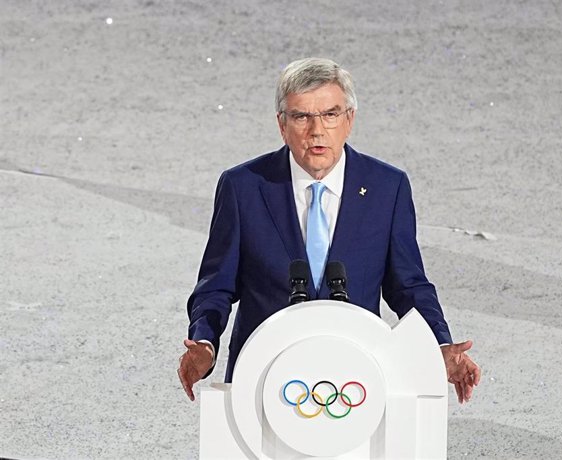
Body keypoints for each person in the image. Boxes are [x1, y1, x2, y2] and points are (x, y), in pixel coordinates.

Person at [178, 57, 481, 404]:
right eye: (302, 116)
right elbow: (215, 286)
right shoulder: (243, 187)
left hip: (356, 382)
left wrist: (438, 345)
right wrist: (204, 343)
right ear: (282, 124)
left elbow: (408, 286)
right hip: (263, 379)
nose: (316, 130)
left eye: (330, 114)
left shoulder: (387, 187)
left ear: (349, 120)